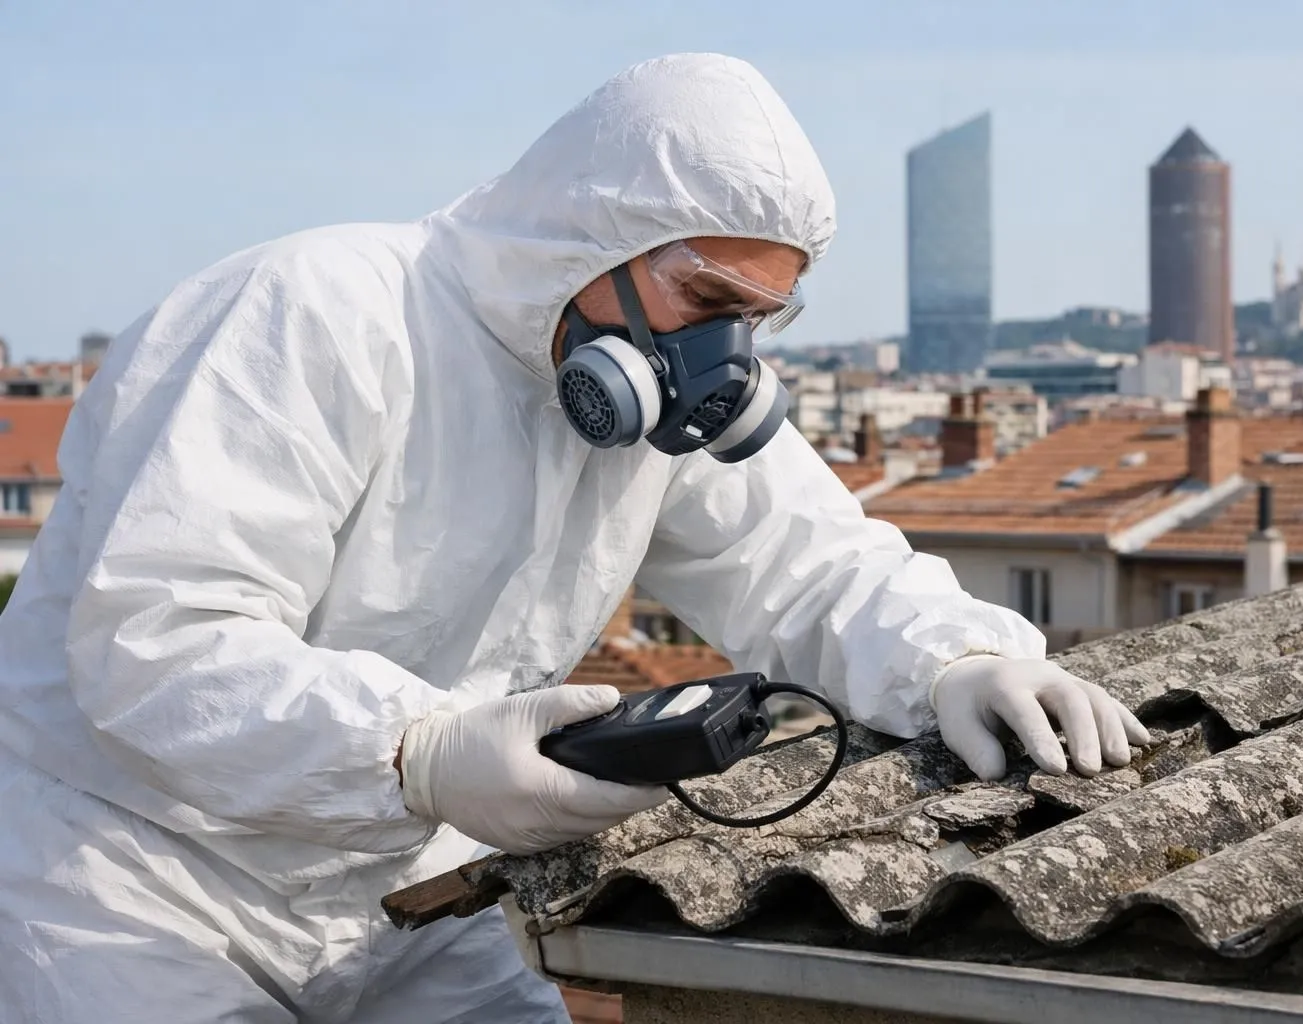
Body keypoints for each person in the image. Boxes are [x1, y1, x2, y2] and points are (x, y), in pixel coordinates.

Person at [0, 53, 1149, 1023]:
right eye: (707, 302)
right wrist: (414, 751)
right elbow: (157, 642)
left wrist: (957, 660)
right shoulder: (314, 314)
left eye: (755, 318)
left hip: (400, 882)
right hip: (134, 882)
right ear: (593, 237)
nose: (724, 355)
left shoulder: (644, 404)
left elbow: (811, 566)